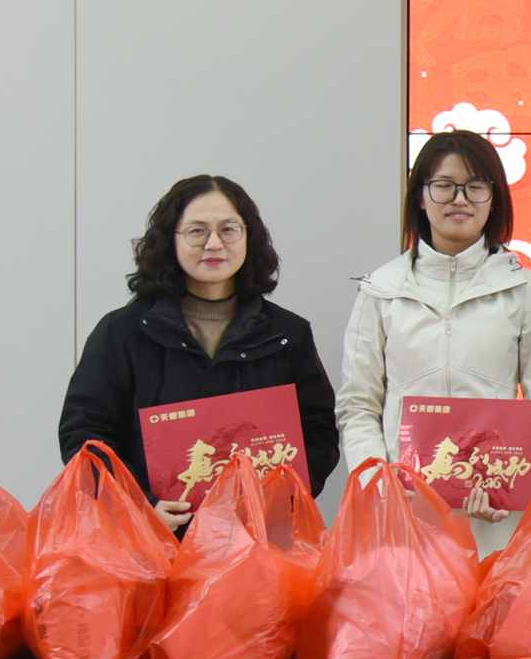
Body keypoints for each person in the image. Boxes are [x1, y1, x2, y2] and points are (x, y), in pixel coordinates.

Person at [59, 174, 339, 530]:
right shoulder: (122, 332)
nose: (214, 243)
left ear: (249, 237)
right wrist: (138, 506)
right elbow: (84, 435)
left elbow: (319, 432)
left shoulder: (288, 333)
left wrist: (279, 498)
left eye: (229, 230)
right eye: (197, 231)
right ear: (169, 240)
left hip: (259, 539)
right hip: (153, 537)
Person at [336, 129, 531, 554]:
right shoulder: (381, 289)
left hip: (492, 515)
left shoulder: (524, 289)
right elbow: (358, 405)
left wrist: (510, 483)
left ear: (494, 198)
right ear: (420, 197)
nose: (459, 199)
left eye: (475, 186)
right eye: (443, 185)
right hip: (401, 514)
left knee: (491, 594)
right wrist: (379, 484)